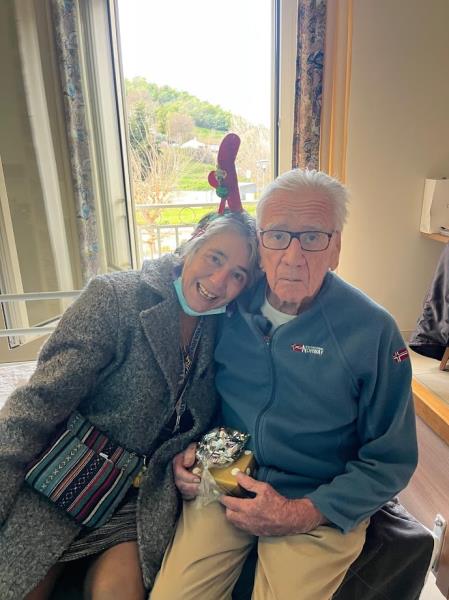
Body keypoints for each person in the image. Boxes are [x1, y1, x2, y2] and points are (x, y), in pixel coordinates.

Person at [151, 169, 418, 600]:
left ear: (336, 248)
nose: (293, 256)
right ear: (260, 245)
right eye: (277, 236)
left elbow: (390, 460)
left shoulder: (373, 332)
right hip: (227, 475)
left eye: (312, 237)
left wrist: (303, 512)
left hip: (317, 494)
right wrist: (195, 448)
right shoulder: (228, 300)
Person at [0, 210, 258, 600]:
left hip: (138, 502)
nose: (219, 281)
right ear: (195, 241)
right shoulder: (115, 298)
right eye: (215, 257)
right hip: (63, 481)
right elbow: (37, 403)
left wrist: (194, 451)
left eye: (238, 275)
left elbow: (214, 415)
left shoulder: (226, 331)